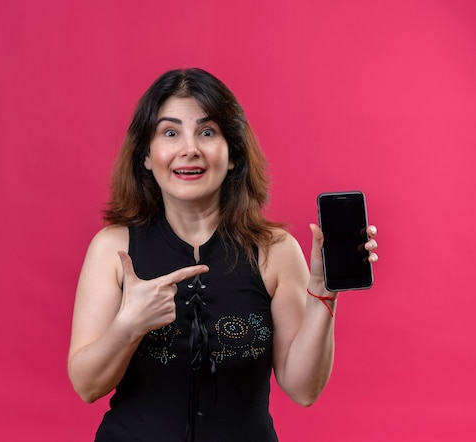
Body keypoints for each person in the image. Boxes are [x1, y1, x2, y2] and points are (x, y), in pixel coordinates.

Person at [67, 68, 379, 442]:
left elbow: (303, 389)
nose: (189, 149)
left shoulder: (275, 251)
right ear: (146, 156)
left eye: (207, 132)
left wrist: (324, 295)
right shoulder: (112, 249)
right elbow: (87, 386)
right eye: (170, 133)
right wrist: (129, 324)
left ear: (232, 154)